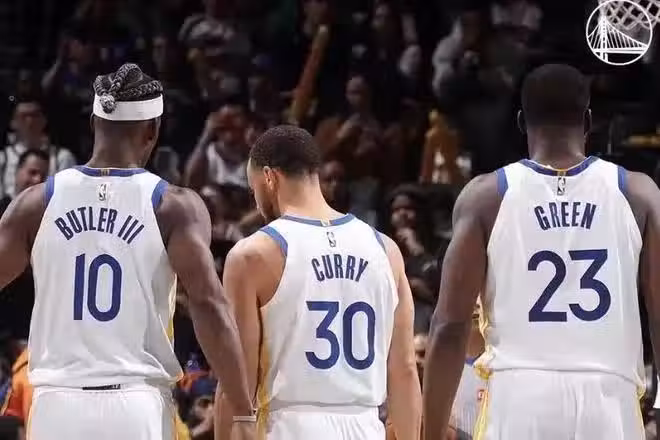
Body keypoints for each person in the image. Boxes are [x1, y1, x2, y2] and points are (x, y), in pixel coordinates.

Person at [0, 63, 255, 440]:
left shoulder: (35, 203)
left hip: (56, 405)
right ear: (152, 130)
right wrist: (243, 411)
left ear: (94, 124)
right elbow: (209, 306)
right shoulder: (173, 206)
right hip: (136, 405)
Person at [423, 63, 660, 440]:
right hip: (608, 400)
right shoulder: (638, 193)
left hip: (519, 399)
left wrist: (431, 433)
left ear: (521, 122)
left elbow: (450, 324)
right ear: (588, 121)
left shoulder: (485, 197)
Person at [217, 125, 421, 440]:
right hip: (364, 425)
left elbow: (237, 377)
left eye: (253, 189)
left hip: (289, 427)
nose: (256, 202)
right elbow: (405, 370)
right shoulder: (385, 249)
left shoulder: (253, 254)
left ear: (269, 178)